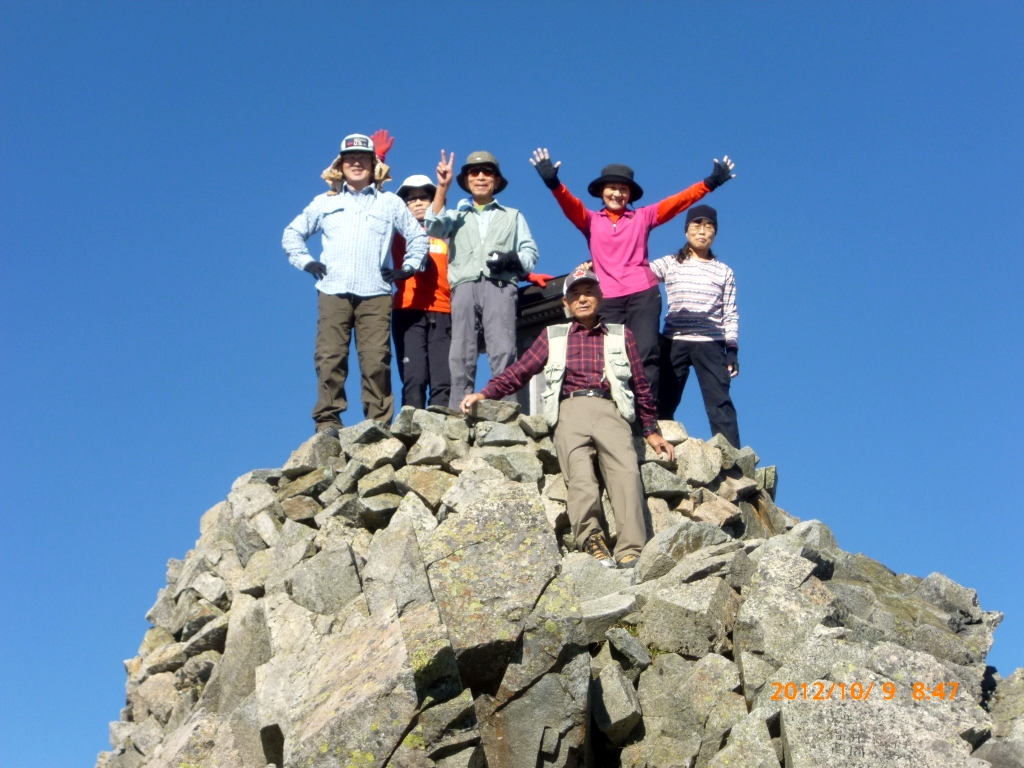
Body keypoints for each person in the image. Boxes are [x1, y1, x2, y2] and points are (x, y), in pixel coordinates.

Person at [460, 268, 674, 569]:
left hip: (610, 410)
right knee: (580, 477)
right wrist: (486, 393)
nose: (582, 299)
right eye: (575, 295)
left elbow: (640, 384)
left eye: (588, 293)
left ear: (600, 297)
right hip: (569, 411)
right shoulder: (553, 336)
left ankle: (631, 549)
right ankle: (592, 542)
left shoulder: (621, 335)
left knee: (625, 473)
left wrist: (650, 430)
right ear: (566, 303)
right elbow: (520, 371)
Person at [530, 148, 735, 398]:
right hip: (608, 298)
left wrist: (710, 182)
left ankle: (646, 418)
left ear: (630, 194)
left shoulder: (643, 217)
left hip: (643, 295)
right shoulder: (591, 220)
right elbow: (569, 204)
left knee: (646, 353)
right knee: (609, 356)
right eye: (612, 188)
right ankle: (615, 411)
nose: (617, 193)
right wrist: (553, 183)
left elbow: (680, 201)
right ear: (602, 191)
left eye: (623, 189)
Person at [282, 133, 428, 436]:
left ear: (374, 164)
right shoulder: (324, 202)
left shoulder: (390, 203)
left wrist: (408, 268)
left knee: (376, 359)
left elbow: (418, 237)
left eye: (364, 158)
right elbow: (292, 233)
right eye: (351, 159)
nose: (357, 163)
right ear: (341, 165)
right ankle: (328, 420)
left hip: (375, 292)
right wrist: (306, 261)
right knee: (329, 356)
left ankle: (378, 423)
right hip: (332, 289)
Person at [425, 150, 540, 409]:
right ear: (466, 181)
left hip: (500, 286)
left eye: (487, 172)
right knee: (461, 352)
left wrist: (511, 260)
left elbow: (530, 254)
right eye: (474, 173)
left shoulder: (512, 215)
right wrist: (442, 187)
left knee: (503, 349)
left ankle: (505, 409)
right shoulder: (456, 215)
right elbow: (433, 227)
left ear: (496, 181)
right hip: (464, 286)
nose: (480, 177)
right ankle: (458, 410)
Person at [650, 205, 741, 447]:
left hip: (710, 343)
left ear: (715, 233)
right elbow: (639, 274)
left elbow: (730, 312)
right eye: (696, 226)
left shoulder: (724, 271)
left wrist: (732, 349)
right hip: (674, 339)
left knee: (719, 401)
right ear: (686, 231)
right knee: (664, 398)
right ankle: (659, 446)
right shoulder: (670, 263)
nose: (702, 231)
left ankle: (731, 456)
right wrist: (596, 267)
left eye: (708, 226)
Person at [389, 174, 452, 409]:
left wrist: (524, 274)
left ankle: (442, 433)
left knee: (443, 379)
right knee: (414, 378)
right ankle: (412, 432)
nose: (417, 202)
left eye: (424, 197)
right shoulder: (396, 234)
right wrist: (379, 158)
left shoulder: (449, 233)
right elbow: (372, 203)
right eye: (410, 199)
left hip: (445, 310)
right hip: (408, 310)